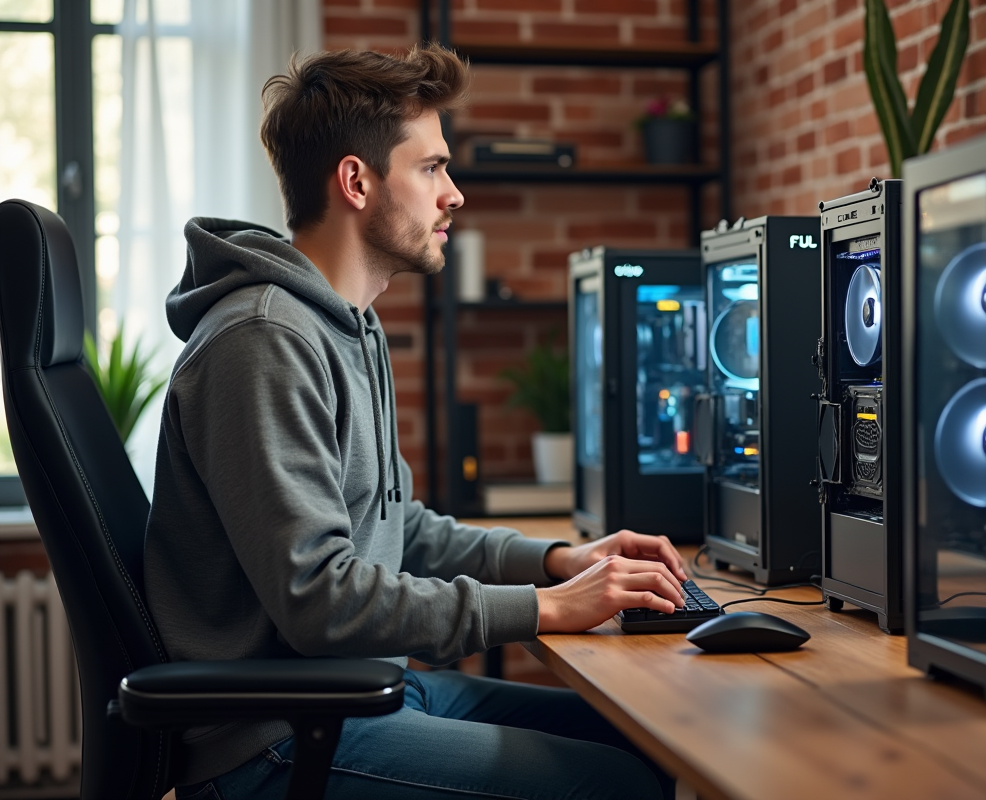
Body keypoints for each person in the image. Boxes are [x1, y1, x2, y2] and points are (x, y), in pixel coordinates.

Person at [144, 43, 688, 800]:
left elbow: (404, 531)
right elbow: (321, 600)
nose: (454, 194)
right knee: (619, 785)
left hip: (356, 695)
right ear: (357, 182)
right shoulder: (264, 341)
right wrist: (545, 611)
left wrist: (558, 561)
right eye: (432, 167)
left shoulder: (347, 327)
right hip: (272, 738)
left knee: (651, 742)